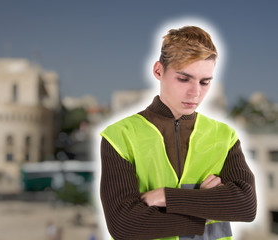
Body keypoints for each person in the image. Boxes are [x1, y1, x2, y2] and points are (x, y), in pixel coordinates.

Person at [100, 26, 256, 240]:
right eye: (184, 79)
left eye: (205, 82)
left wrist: (167, 197)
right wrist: (208, 207)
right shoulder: (120, 137)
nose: (195, 92)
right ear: (158, 71)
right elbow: (125, 225)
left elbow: (246, 206)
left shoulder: (224, 136)